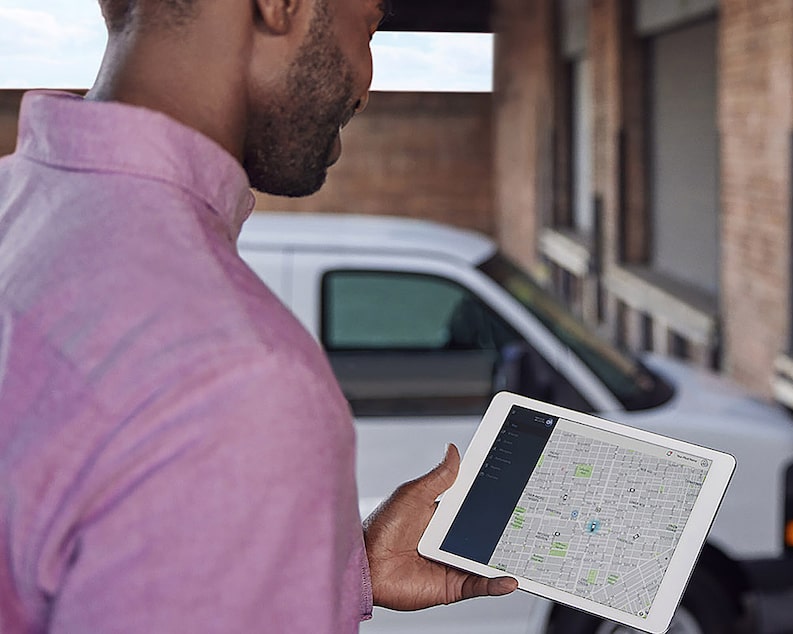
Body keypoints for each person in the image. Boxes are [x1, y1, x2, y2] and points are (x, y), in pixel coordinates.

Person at [0, 0, 515, 631]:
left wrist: (318, 572)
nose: (365, 81)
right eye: (371, 23)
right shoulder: (239, 379)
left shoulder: (15, 212)